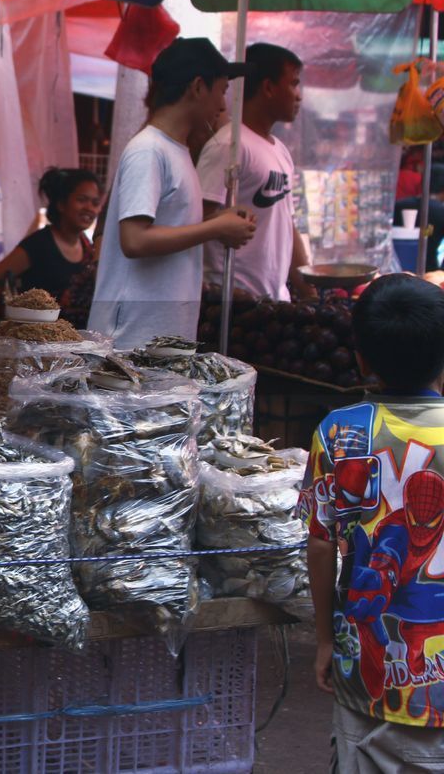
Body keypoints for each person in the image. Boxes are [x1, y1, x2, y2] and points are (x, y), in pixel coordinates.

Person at [299, 274, 444, 771]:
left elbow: (321, 546)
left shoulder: (340, 431)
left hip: (365, 679)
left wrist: (322, 640)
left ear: (360, 355)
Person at [87, 37, 257, 350]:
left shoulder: (176, 150)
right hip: (131, 340)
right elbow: (135, 240)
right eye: (221, 91)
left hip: (158, 337)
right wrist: (216, 228)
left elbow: (168, 225)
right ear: (197, 87)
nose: (223, 104)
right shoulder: (149, 150)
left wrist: (219, 220)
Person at [198, 42, 314, 301]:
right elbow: (195, 221)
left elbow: (287, 223)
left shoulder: (280, 150)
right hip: (233, 304)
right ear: (269, 88)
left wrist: (307, 287)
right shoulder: (229, 145)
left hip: (273, 300)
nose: (299, 95)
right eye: (294, 83)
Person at [0, 167, 102, 306]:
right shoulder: (39, 244)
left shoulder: (88, 246)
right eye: (82, 200)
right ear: (61, 204)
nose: (89, 208)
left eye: (95, 203)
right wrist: (8, 319)